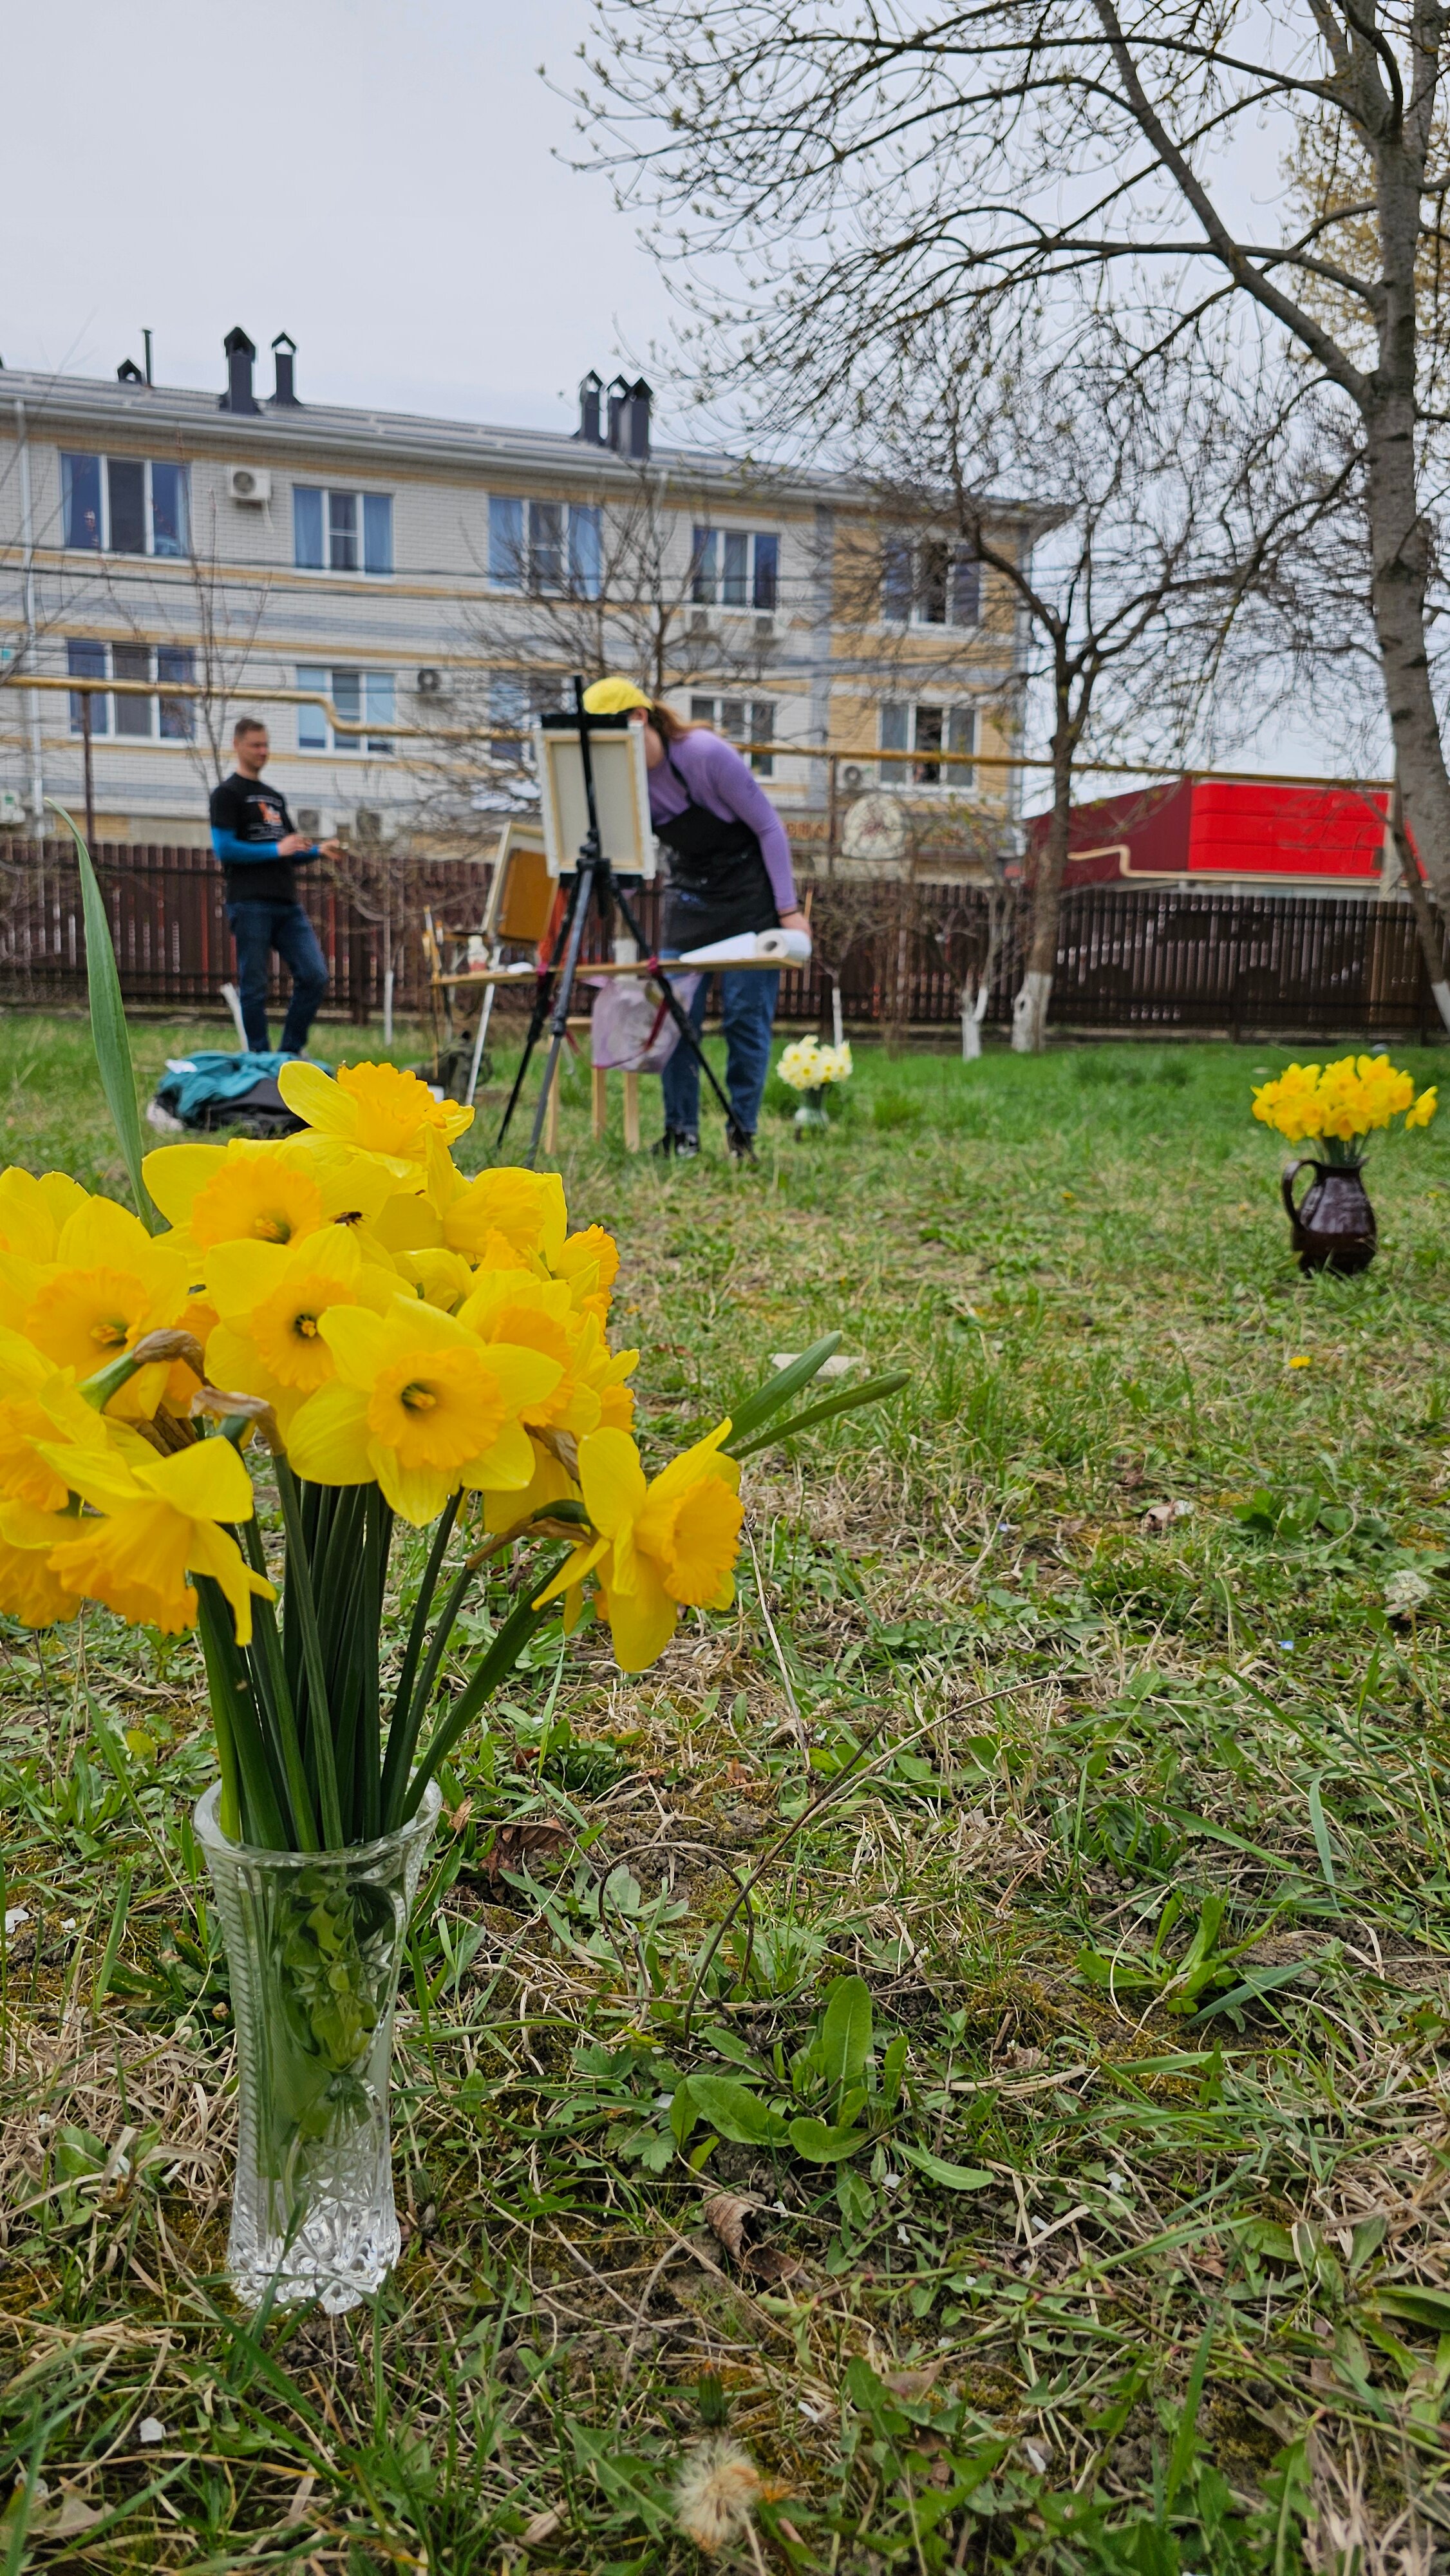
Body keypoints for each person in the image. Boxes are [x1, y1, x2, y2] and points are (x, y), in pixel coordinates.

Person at [581, 677, 809, 1160]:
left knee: (746, 1021)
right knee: (674, 1016)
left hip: (751, 900)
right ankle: (681, 1134)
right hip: (688, 901)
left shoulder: (703, 755)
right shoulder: (624, 781)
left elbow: (768, 826)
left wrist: (789, 911)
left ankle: (741, 1134)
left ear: (639, 720)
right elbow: (631, 868)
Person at [209, 717, 339, 1055]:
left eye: (266, 745)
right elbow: (225, 850)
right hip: (249, 903)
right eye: (255, 745)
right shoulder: (227, 795)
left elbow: (288, 852)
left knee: (315, 975)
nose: (263, 751)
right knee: (254, 986)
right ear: (237, 745)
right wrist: (275, 849)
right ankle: (259, 1059)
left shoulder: (274, 798)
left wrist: (316, 851)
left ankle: (288, 1054)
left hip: (286, 904)